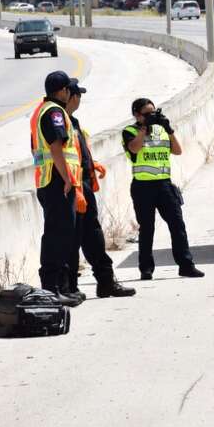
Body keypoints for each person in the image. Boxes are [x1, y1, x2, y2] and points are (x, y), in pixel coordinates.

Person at [65, 79, 136, 299]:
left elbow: (74, 152)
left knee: (92, 236)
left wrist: (90, 162)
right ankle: (70, 287)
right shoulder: (60, 120)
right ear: (69, 95)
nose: (79, 99)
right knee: (72, 239)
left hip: (82, 184)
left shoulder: (73, 122)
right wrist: (76, 188)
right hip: (72, 187)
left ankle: (105, 282)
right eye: (78, 94)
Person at [122, 98, 204, 280]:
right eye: (147, 113)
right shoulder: (130, 131)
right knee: (147, 229)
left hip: (164, 185)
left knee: (177, 225)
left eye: (154, 112)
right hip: (142, 187)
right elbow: (134, 149)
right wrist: (144, 129)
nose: (151, 116)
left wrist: (169, 130)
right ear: (137, 115)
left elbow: (177, 150)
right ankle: (146, 269)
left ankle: (186, 265)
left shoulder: (162, 131)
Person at [29, 71, 83, 305]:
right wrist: (68, 179)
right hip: (56, 180)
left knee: (62, 234)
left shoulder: (45, 110)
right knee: (56, 236)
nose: (71, 93)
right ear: (62, 91)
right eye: (69, 90)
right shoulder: (54, 112)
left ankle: (60, 288)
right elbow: (56, 149)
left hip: (52, 179)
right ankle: (51, 288)